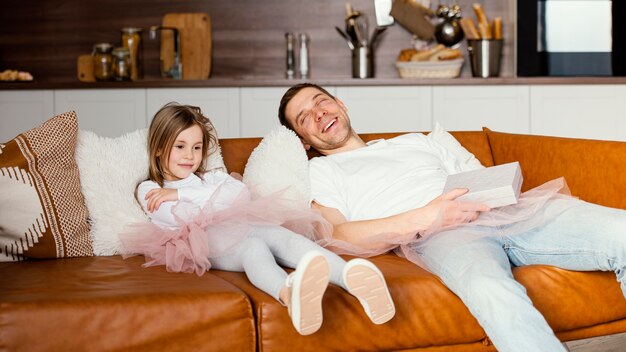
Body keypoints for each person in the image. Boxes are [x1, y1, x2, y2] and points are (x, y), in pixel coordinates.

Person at [278, 83, 626, 351]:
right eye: (305, 117)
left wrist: (497, 188)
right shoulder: (322, 171)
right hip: (440, 234)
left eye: (321, 101)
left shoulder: (417, 141)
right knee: (487, 286)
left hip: (508, 211)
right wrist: (429, 215)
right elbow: (340, 233)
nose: (318, 113)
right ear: (304, 140)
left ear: (341, 104)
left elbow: (476, 175)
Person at [120, 102, 396, 336]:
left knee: (283, 236)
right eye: (180, 147)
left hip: (241, 224)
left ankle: (352, 279)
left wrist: (182, 196)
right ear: (158, 149)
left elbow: (238, 195)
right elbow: (185, 217)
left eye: (196, 147)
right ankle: (290, 295)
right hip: (203, 241)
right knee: (253, 249)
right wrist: (185, 197)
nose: (189, 156)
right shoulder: (151, 189)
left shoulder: (209, 177)